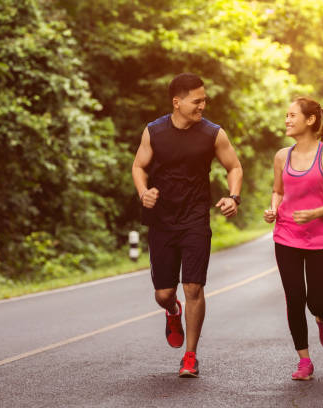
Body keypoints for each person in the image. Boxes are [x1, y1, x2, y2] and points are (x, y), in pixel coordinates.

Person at [131, 73, 243, 378]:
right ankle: (172, 311)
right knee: (164, 294)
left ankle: (190, 355)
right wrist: (144, 193)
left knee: (194, 286)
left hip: (195, 217)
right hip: (162, 221)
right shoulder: (154, 132)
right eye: (197, 101)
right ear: (177, 102)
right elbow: (139, 166)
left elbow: (234, 166)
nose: (203, 105)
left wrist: (234, 196)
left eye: (205, 100)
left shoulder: (212, 134)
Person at [263, 97, 323, 380]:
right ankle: (304, 361)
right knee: (294, 298)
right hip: (286, 235)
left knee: (315, 301)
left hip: (320, 239)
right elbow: (279, 191)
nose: (287, 120)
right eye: (286, 115)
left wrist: (315, 213)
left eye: (292, 115)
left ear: (310, 120)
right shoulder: (282, 156)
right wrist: (273, 207)